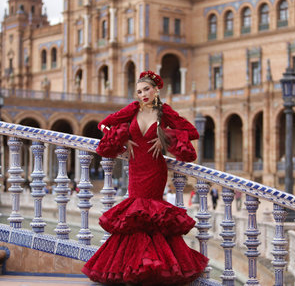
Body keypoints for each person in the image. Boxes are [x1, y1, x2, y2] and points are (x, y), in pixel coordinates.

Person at [82, 71, 208, 285]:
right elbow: (103, 125)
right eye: (139, 91)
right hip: (136, 168)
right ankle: (135, 267)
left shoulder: (164, 112)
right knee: (135, 217)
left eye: (146, 89)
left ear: (156, 89)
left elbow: (192, 132)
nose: (143, 94)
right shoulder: (131, 110)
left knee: (152, 216)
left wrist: (166, 137)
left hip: (155, 169)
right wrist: (124, 140)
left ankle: (154, 267)